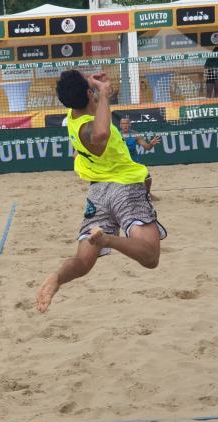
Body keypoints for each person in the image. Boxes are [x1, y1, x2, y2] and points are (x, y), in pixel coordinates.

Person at [35, 70, 167, 313]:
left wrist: (92, 84)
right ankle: (108, 239)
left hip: (97, 193)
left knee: (83, 262)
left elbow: (79, 92)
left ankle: (56, 278)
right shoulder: (88, 129)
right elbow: (101, 134)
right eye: (89, 86)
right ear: (88, 93)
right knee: (151, 257)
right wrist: (104, 94)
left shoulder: (75, 111)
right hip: (124, 187)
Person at [118, 116, 161, 201]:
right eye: (123, 124)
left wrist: (151, 143)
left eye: (126, 123)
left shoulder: (135, 134)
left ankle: (148, 194)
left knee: (148, 178)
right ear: (120, 125)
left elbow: (147, 147)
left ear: (130, 125)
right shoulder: (117, 135)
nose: (125, 125)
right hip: (122, 162)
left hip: (134, 161)